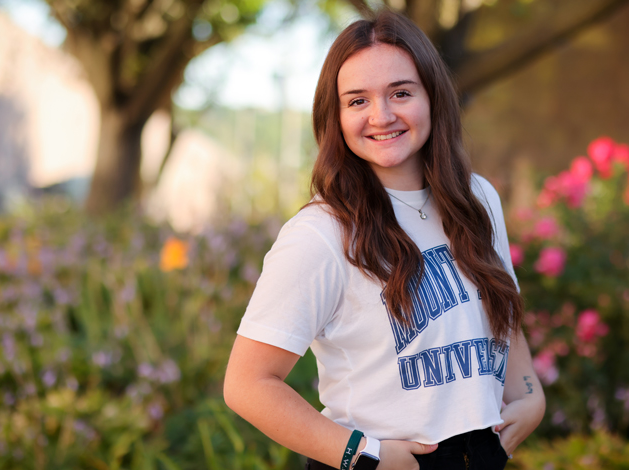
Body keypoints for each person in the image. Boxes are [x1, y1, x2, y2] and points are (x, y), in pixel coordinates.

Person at [224, 9, 545, 470]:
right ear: (335, 115)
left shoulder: (477, 198)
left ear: (432, 96)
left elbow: (498, 308)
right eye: (357, 101)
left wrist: (529, 392)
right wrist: (362, 454)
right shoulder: (321, 234)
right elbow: (248, 384)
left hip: (481, 453)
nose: (382, 115)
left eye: (400, 92)